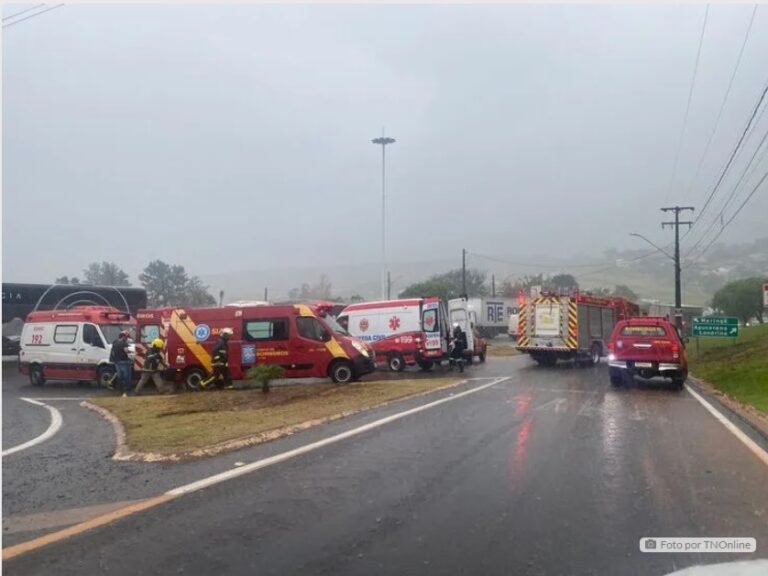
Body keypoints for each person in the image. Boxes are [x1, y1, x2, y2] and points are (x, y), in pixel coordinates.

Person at [109, 329, 133, 398]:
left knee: (120, 376)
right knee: (126, 376)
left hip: (116, 362)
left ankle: (119, 388)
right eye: (127, 337)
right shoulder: (123, 343)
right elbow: (126, 351)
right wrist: (131, 352)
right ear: (124, 336)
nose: (127, 339)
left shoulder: (115, 342)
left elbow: (113, 351)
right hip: (124, 362)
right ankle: (126, 389)